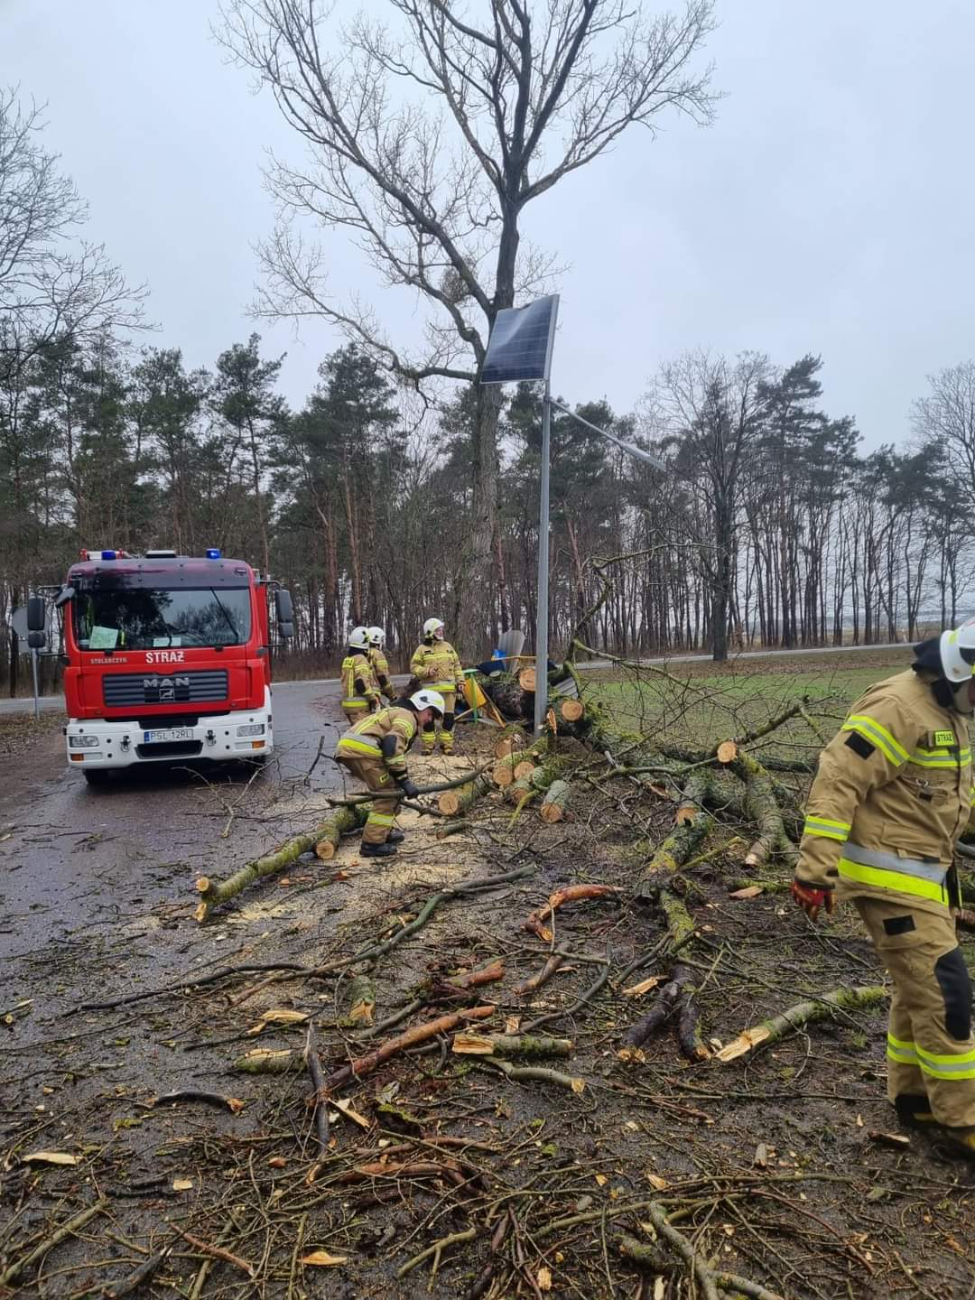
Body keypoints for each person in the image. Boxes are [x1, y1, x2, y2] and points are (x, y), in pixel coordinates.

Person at [792, 622, 975, 1157]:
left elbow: (945, 797)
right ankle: (962, 1121)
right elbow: (837, 776)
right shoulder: (899, 707)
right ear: (957, 672)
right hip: (890, 881)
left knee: (918, 990)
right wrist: (814, 871)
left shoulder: (948, 712)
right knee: (947, 994)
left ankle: (915, 1099)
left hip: (923, 877)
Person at [333, 690, 445, 857]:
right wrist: (405, 781)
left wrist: (400, 780)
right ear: (421, 705)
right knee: (387, 795)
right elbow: (392, 746)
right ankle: (372, 843)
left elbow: (389, 749)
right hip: (364, 751)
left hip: (353, 749)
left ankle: (383, 831)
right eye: (429, 714)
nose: (429, 720)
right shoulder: (407, 717)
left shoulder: (397, 712)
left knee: (391, 789)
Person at [410, 617, 465, 755]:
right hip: (430, 693)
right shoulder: (422, 649)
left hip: (448, 693)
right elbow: (414, 667)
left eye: (441, 629)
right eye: (438, 630)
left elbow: (457, 665)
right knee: (428, 720)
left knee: (448, 720)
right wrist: (426, 671)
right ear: (430, 632)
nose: (441, 632)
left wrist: (461, 681)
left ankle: (447, 746)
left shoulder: (448, 647)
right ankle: (428, 747)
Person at [340, 626, 381, 726]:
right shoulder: (361, 659)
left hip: (348, 705)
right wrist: (373, 699)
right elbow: (361, 683)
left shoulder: (348, 659)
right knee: (364, 736)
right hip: (359, 706)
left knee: (355, 733)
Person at [367, 626, 395, 703]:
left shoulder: (361, 654)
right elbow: (383, 677)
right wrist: (392, 695)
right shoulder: (378, 654)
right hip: (373, 696)